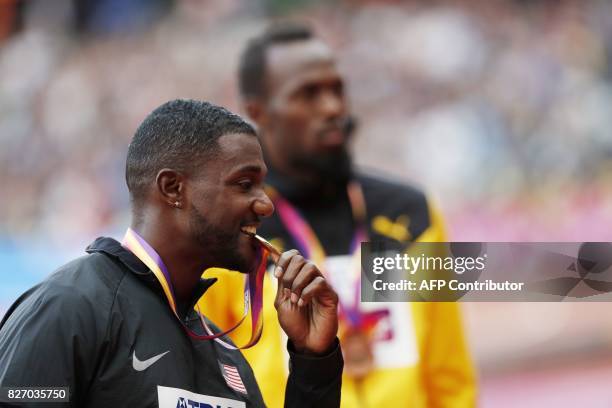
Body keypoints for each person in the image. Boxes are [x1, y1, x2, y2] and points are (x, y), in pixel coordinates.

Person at [0, 99, 343, 407]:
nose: (266, 204)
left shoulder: (227, 358)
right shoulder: (70, 307)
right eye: (244, 184)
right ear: (173, 188)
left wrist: (313, 361)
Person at [201, 23, 476, 407]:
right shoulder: (232, 229)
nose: (332, 107)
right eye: (308, 94)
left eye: (336, 89)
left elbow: (449, 377)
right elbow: (209, 382)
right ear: (258, 111)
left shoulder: (410, 214)